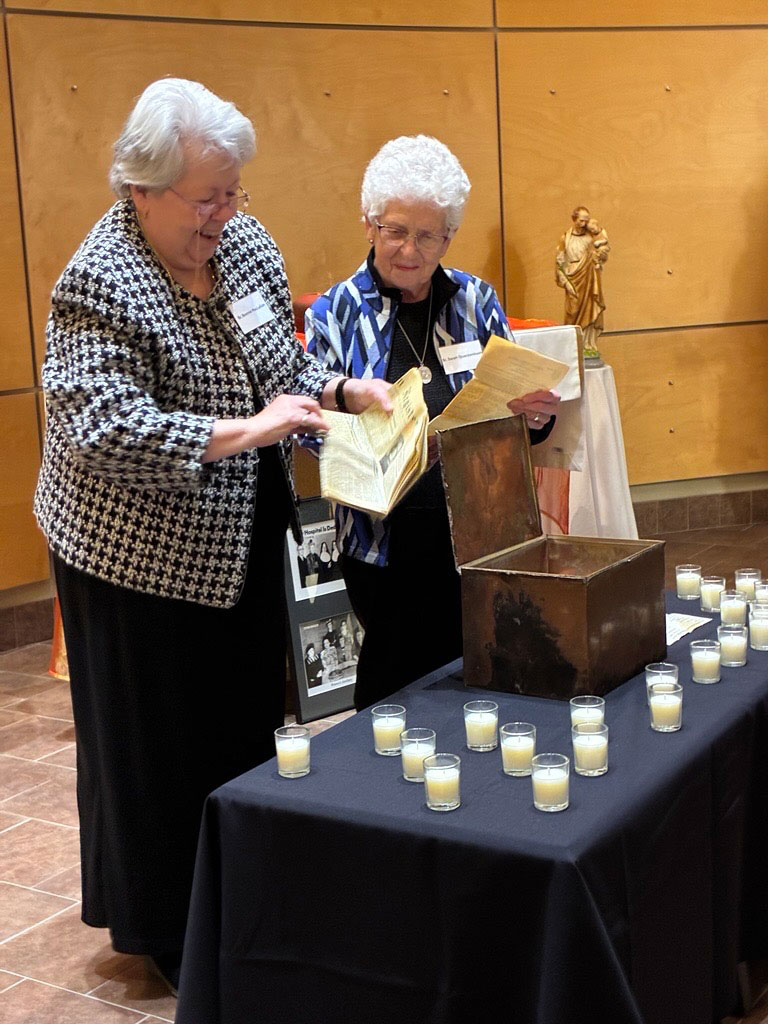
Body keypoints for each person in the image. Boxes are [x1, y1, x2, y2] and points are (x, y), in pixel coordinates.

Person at [33, 78, 390, 995]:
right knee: (155, 742)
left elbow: (283, 362)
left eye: (234, 192)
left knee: (241, 715)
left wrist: (342, 392)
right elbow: (99, 427)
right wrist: (246, 431)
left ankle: (240, 888)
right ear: (141, 188)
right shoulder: (99, 279)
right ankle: (166, 924)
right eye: (207, 197)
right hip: (132, 549)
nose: (225, 214)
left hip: (238, 526)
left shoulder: (245, 246)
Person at [306, 134, 560, 711]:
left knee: (483, 677)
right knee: (394, 689)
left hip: (474, 531)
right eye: (396, 231)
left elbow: (511, 408)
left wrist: (536, 418)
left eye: (428, 235)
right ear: (369, 224)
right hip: (382, 540)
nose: (410, 251)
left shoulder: (476, 301)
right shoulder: (336, 312)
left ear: (449, 235)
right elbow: (307, 423)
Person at [555, 205, 608, 354]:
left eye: (586, 221)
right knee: (573, 311)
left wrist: (601, 254)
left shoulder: (591, 237)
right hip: (573, 278)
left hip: (589, 278)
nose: (584, 224)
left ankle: (588, 345)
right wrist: (566, 282)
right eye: (581, 221)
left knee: (591, 309)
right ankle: (573, 346)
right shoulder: (566, 238)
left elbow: (602, 253)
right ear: (574, 219)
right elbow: (559, 262)